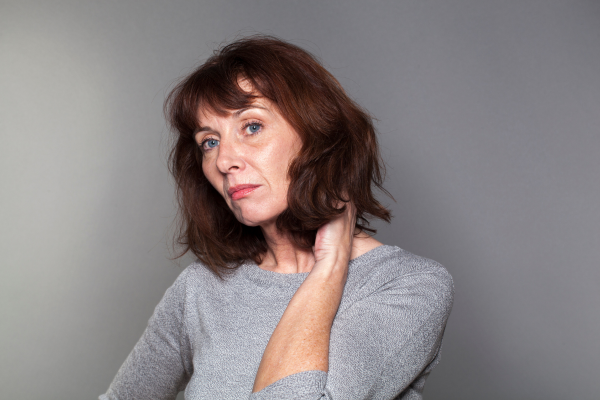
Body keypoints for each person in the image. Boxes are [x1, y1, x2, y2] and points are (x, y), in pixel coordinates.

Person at [100, 35, 453, 400]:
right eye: (209, 141)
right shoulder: (200, 289)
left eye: (251, 127)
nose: (224, 161)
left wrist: (330, 265)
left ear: (316, 134)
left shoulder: (409, 285)